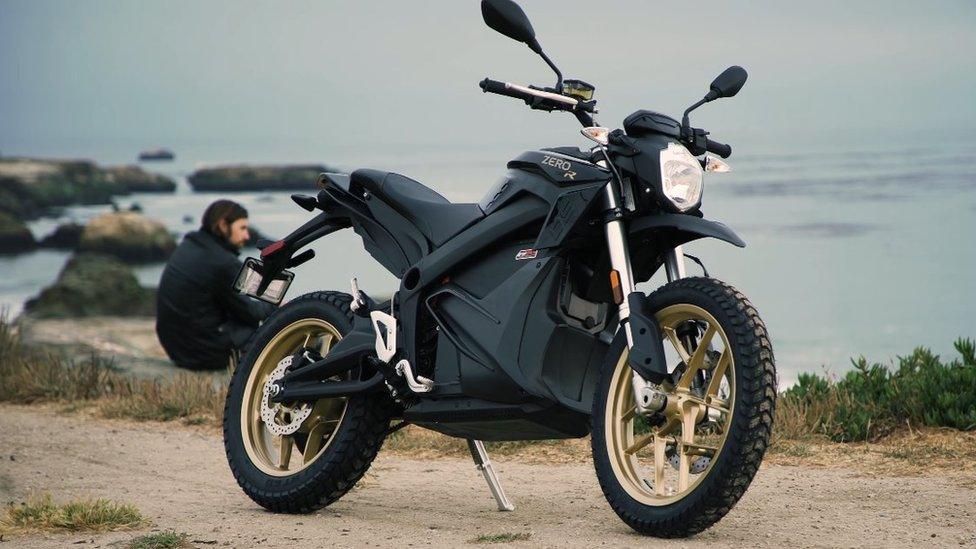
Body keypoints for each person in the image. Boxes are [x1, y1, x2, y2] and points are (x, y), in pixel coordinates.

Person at [156, 200, 275, 370]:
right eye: (242, 228)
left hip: (175, 348)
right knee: (264, 333)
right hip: (202, 353)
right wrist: (276, 305)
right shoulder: (223, 262)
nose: (247, 236)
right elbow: (251, 313)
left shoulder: (189, 245)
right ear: (223, 225)